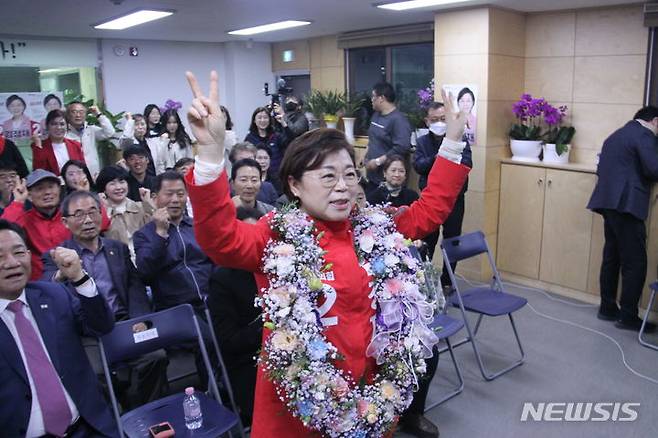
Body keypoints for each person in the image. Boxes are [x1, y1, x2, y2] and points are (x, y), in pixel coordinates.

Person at [182, 71, 469, 437]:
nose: (343, 188)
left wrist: (454, 142)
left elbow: (430, 211)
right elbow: (220, 239)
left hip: (368, 398)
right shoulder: (277, 237)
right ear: (295, 185)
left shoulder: (375, 227)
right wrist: (209, 155)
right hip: (298, 410)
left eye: (349, 175)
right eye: (327, 176)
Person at [41, 190, 168, 409]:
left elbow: (135, 288)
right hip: (88, 332)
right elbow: (48, 288)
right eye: (79, 215)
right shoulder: (57, 255)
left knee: (156, 356)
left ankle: (150, 414)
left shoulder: (116, 248)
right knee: (96, 374)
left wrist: (139, 319)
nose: (88, 220)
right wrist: (61, 275)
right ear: (65, 222)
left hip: (124, 323)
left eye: (93, 211)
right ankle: (114, 422)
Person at [0, 219, 118, 437]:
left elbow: (101, 326)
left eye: (19, 252)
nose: (12, 263)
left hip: (88, 427)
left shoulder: (53, 295)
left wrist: (79, 278)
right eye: (0, 256)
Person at [587, 106, 658, 332]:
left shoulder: (616, 135)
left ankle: (607, 308)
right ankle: (628, 316)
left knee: (612, 256)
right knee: (635, 261)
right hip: (627, 204)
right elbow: (654, 169)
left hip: (608, 203)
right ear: (654, 121)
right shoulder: (644, 135)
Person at [207, 206, 264, 426]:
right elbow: (229, 340)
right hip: (248, 361)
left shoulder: (278, 267)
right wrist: (266, 328)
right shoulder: (224, 279)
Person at [133, 171, 214, 313]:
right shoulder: (144, 235)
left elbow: (216, 261)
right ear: (154, 197)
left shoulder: (198, 226)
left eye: (181, 194)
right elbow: (145, 273)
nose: (175, 200)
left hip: (212, 299)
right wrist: (160, 234)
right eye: (169, 194)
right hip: (177, 308)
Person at [414, 102, 472, 273]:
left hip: (455, 200)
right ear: (427, 121)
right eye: (434, 119)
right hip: (430, 200)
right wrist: (439, 157)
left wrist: (449, 152)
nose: (439, 123)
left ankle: (447, 281)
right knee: (428, 239)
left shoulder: (460, 140)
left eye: (442, 119)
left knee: (452, 240)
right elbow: (419, 166)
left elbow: (467, 162)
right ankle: (424, 280)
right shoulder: (422, 141)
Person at [1, 169, 70, 280]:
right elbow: (3, 230)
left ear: (59, 190)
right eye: (39, 189)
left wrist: (83, 191)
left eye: (51, 187)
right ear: (29, 195)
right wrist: (18, 201)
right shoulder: (24, 218)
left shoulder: (70, 215)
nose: (47, 192)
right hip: (41, 282)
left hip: (74, 274)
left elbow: (103, 224)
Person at [96, 165, 154, 259]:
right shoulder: (101, 213)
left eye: (122, 182)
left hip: (146, 259)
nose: (118, 187)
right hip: (119, 263)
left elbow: (155, 229)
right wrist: (105, 210)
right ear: (104, 189)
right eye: (112, 184)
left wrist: (148, 203)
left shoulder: (140, 207)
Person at [364, 82, 412, 192]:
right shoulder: (376, 115)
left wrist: (377, 162)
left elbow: (402, 147)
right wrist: (365, 156)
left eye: (373, 97)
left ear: (381, 98)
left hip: (389, 180)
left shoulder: (399, 120)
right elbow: (372, 138)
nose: (371, 100)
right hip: (372, 177)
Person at [65, 101, 116, 178]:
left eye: (81, 112)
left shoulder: (91, 129)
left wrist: (98, 114)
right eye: (74, 112)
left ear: (85, 115)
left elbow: (110, 132)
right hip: (74, 176)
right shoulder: (64, 134)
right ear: (68, 115)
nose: (78, 115)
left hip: (93, 174)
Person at [32, 109, 85, 176]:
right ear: (47, 126)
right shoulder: (39, 146)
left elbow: (82, 168)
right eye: (54, 124)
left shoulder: (75, 145)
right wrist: (38, 147)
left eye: (62, 124)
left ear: (67, 126)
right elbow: (38, 172)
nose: (58, 127)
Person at [244, 107, 287, 175]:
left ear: (269, 120)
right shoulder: (250, 138)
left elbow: (290, 142)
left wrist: (284, 123)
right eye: (259, 118)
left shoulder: (276, 136)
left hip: (276, 175)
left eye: (265, 117)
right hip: (256, 175)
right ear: (254, 121)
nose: (262, 120)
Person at [156, 109, 194, 173]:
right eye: (169, 123)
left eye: (174, 122)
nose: (172, 125)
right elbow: (160, 162)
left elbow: (190, 159)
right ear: (165, 124)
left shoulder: (184, 139)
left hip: (184, 174)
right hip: (167, 175)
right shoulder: (161, 140)